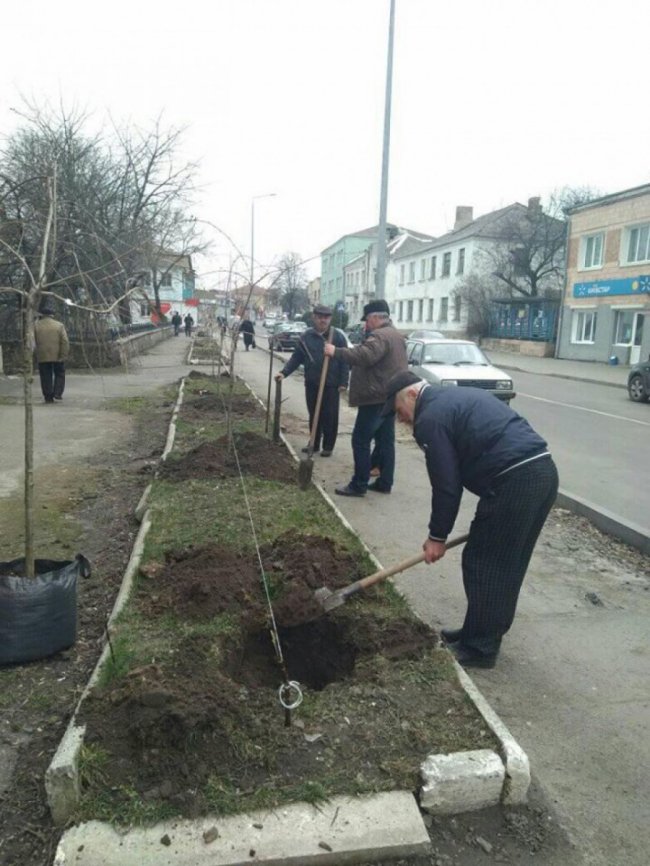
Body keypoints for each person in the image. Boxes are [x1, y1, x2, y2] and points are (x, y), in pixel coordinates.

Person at [382, 369, 559, 669]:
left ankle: (480, 648)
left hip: (515, 481)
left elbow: (447, 484)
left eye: (399, 411)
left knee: (483, 562)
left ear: (412, 395)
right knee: (506, 563)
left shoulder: (430, 419)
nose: (401, 419)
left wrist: (437, 536)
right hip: (541, 474)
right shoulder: (452, 398)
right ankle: (480, 631)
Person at [323, 300, 407, 495]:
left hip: (375, 398)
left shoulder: (379, 336)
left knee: (360, 440)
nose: (366, 325)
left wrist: (336, 351)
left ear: (376, 317)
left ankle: (359, 484)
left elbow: (365, 355)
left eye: (367, 320)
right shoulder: (396, 335)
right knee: (386, 441)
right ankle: (385, 482)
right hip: (391, 397)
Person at [275, 304, 349, 457]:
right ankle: (314, 443)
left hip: (331, 384)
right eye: (320, 317)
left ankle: (328, 446)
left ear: (330, 319)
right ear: (314, 318)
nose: (323, 320)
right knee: (314, 413)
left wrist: (343, 382)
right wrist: (284, 372)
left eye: (326, 317)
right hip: (312, 382)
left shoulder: (337, 336)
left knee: (330, 415)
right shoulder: (306, 337)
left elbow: (345, 360)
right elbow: (296, 358)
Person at [34, 303, 70, 404]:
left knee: (45, 375)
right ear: (52, 315)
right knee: (60, 373)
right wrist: (63, 355)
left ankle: (48, 396)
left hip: (42, 355)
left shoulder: (36, 326)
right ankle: (57, 393)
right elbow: (65, 341)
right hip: (57, 355)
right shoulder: (59, 325)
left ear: (42, 315)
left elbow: (31, 341)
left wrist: (35, 353)